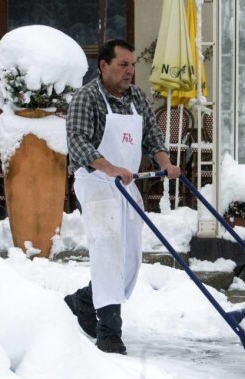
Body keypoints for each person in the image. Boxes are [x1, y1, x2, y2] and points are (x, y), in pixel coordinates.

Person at [64, 39, 181, 355]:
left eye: (132, 65)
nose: (130, 71)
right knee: (107, 251)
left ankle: (84, 301)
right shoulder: (87, 99)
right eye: (123, 65)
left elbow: (153, 138)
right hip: (97, 183)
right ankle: (109, 331)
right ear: (103, 65)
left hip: (126, 184)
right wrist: (109, 167)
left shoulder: (136, 98)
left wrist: (165, 163)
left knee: (130, 257)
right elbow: (78, 142)